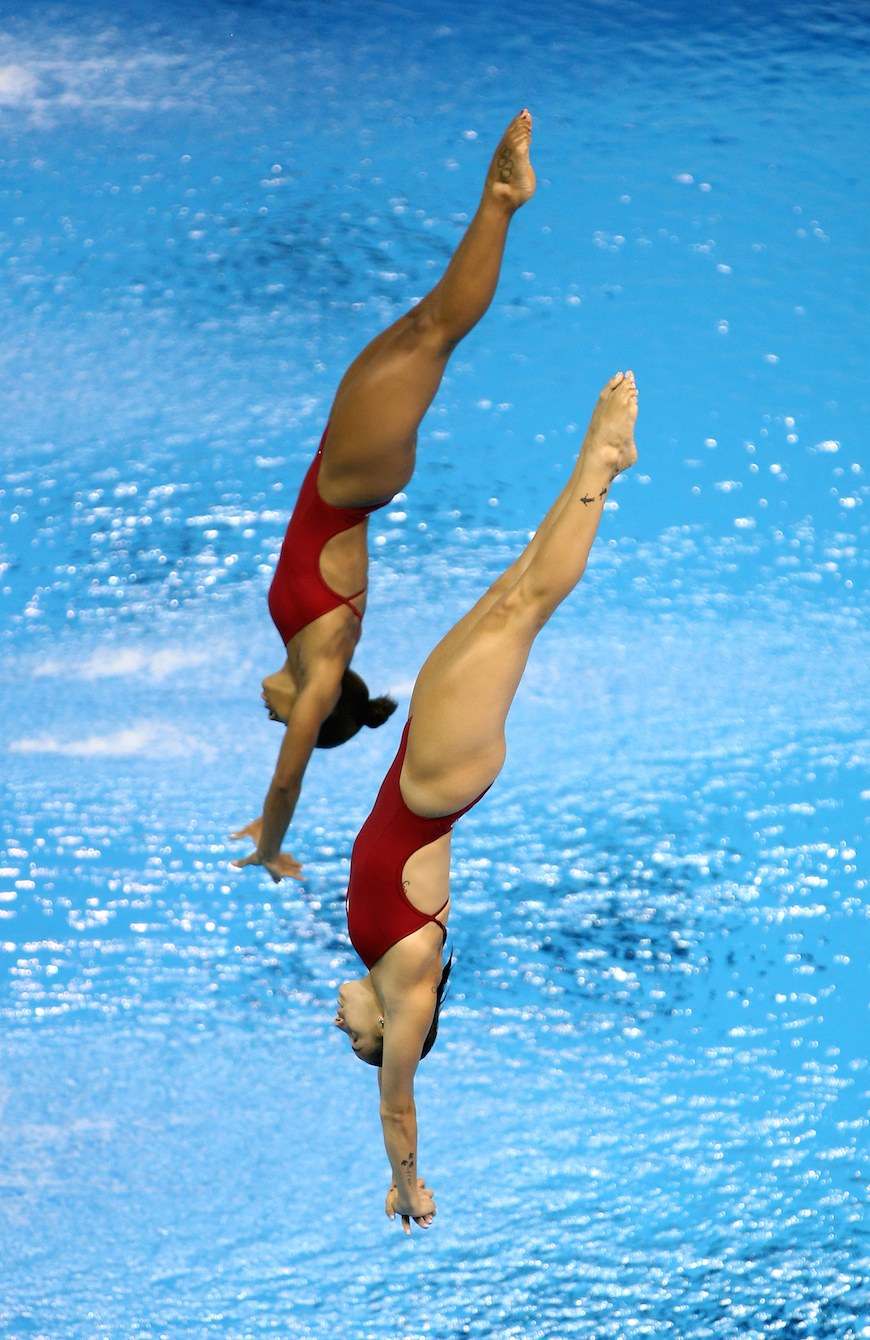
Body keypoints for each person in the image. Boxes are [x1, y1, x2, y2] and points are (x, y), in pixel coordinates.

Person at [335, 371, 639, 1233]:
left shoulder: (383, 968)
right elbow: (398, 1109)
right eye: (350, 1040)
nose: (338, 1023)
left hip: (418, 765)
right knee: (527, 607)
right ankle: (603, 460)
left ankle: (602, 462)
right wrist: (406, 1184)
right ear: (385, 1038)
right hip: (437, 781)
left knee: (514, 591)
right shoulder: (409, 1003)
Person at [231, 109, 536, 883]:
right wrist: (270, 841)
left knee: (425, 326)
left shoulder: (304, 652)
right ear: (320, 714)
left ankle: (500, 200)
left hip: (340, 467)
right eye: (289, 721)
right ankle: (503, 199)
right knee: (433, 330)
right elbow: (291, 771)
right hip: (351, 481)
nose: (268, 716)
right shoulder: (321, 672)